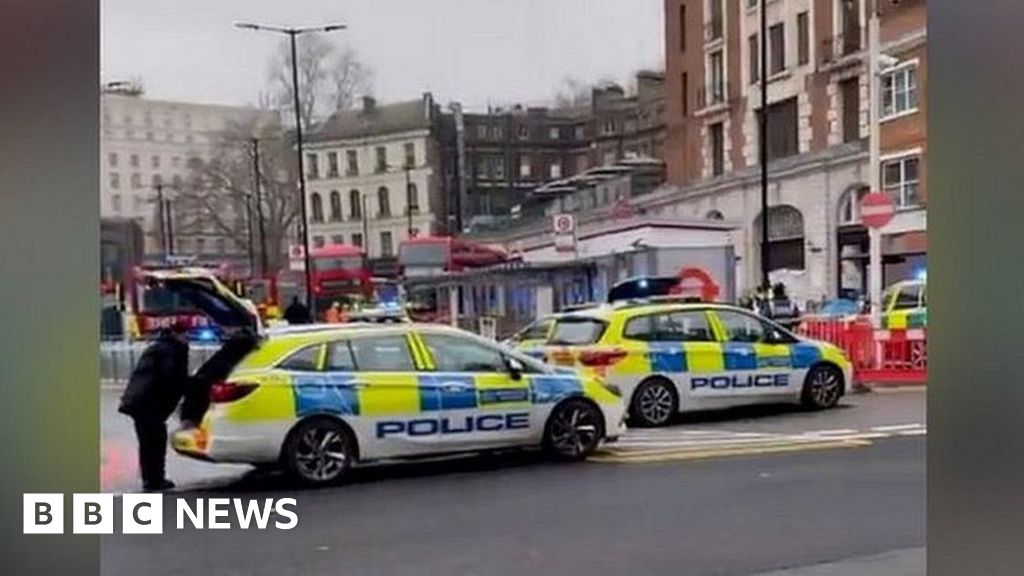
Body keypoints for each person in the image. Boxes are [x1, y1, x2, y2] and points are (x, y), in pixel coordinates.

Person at [118, 323, 190, 492]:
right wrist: (190, 386)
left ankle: (152, 478)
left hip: (141, 403)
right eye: (185, 334)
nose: (188, 338)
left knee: (149, 442)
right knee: (154, 442)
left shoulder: (161, 348)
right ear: (176, 335)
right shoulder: (171, 350)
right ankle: (154, 480)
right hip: (149, 403)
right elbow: (171, 376)